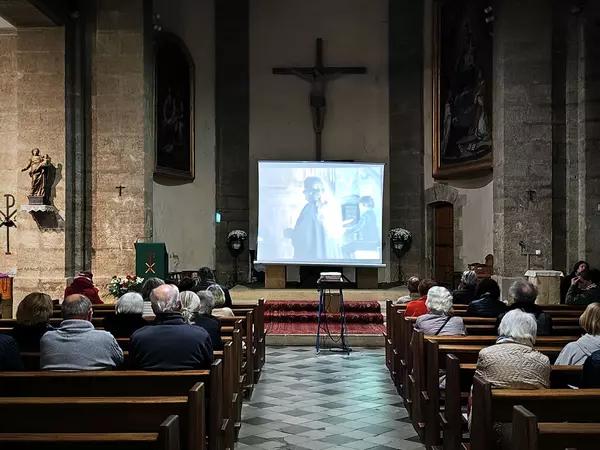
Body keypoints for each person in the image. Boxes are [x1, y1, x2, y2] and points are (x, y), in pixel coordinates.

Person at [130, 284, 213, 370]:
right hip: (193, 383)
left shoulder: (138, 337)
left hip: (148, 383)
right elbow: (209, 367)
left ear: (153, 309)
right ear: (180, 305)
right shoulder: (200, 335)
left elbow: (133, 368)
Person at [40, 294, 124, 371]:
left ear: (62, 314)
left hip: (55, 387)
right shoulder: (105, 338)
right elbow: (120, 360)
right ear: (90, 314)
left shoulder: (47, 339)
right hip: (97, 387)